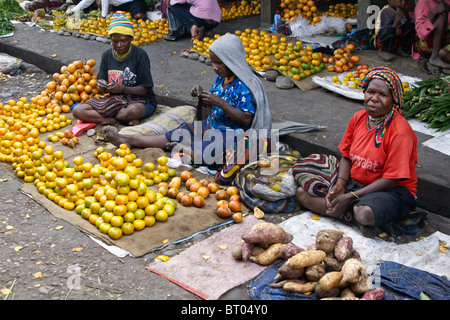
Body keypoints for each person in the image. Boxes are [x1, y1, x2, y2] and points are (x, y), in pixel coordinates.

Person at [104, 33, 272, 170]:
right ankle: (130, 140)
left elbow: (245, 119)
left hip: (233, 133)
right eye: (213, 62)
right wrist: (202, 96)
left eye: (218, 63)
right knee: (181, 131)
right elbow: (213, 103)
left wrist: (220, 103)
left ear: (232, 61)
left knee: (215, 148)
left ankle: (189, 150)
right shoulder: (222, 78)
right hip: (213, 125)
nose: (214, 67)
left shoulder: (246, 85)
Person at [295, 67, 418, 238]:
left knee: (365, 213)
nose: (374, 99)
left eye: (382, 95)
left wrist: (351, 196)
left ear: (393, 99)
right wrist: (341, 184)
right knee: (302, 193)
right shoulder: (359, 118)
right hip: (355, 183)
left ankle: (352, 213)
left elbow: (391, 180)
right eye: (370, 92)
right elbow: (346, 156)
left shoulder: (400, 132)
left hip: (390, 191)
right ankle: (350, 214)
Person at [73, 11, 157, 126]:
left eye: (123, 41)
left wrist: (123, 89)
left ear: (131, 39)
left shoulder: (140, 55)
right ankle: (113, 120)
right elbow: (101, 82)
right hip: (116, 101)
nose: (119, 45)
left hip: (140, 100)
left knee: (133, 111)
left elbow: (145, 89)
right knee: (78, 110)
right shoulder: (107, 55)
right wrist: (101, 85)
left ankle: (117, 118)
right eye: (115, 41)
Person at [413, 0, 450, 69]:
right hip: (427, 44)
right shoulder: (424, 2)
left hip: (445, 41)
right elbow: (421, 34)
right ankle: (435, 56)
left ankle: (441, 54)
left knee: (443, 53)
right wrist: (433, 13)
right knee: (442, 14)